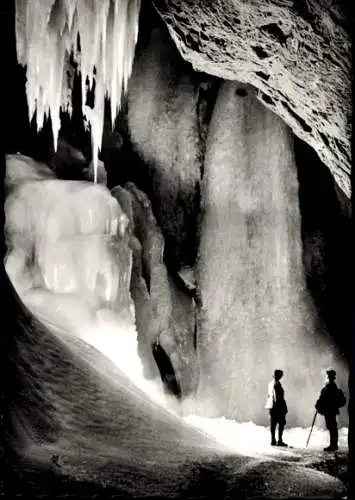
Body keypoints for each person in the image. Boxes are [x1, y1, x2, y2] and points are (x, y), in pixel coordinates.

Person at [315, 369, 346, 452]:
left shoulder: (331, 386)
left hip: (330, 409)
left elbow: (325, 397)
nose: (328, 377)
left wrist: (319, 402)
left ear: (332, 377)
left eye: (329, 375)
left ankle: (333, 445)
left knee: (332, 427)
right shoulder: (330, 386)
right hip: (330, 409)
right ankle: (333, 444)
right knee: (331, 427)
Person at [265, 369, 288, 447]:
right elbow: (278, 398)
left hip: (273, 406)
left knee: (273, 424)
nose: (281, 376)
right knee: (281, 423)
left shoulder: (272, 384)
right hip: (278, 407)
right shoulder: (276, 384)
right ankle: (279, 441)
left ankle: (273, 440)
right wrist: (283, 407)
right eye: (280, 375)